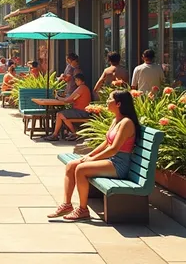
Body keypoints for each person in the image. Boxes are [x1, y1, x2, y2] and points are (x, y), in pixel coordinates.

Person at [48, 90, 139, 222]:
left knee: (81, 169)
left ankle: (83, 210)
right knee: (71, 165)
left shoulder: (126, 123)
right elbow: (106, 142)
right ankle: (66, 205)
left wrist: (92, 159)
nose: (107, 101)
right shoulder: (116, 120)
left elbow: (113, 149)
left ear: (118, 104)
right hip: (110, 161)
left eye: (109, 99)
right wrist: (89, 155)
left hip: (118, 164)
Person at [44, 73, 91, 141]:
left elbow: (68, 100)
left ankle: (68, 133)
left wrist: (58, 98)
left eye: (78, 80)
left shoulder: (82, 88)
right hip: (80, 111)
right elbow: (73, 99)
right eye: (76, 80)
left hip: (81, 112)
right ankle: (59, 134)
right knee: (62, 116)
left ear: (83, 81)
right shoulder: (83, 88)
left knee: (59, 115)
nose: (76, 82)